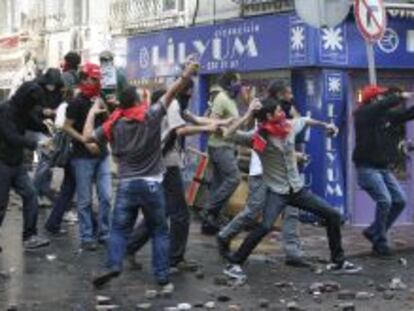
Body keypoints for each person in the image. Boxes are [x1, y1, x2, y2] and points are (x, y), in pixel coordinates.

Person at [85, 62, 199, 289]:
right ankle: (162, 276)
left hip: (127, 184)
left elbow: (88, 137)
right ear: (137, 101)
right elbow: (171, 92)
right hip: (152, 183)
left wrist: (91, 113)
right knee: (159, 231)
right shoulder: (151, 115)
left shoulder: (113, 123)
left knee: (119, 229)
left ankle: (113, 264)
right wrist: (185, 75)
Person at [220, 98, 361, 280]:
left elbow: (305, 120)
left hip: (297, 190)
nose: (283, 114)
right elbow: (228, 135)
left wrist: (325, 125)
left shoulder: (288, 126)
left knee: (332, 215)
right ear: (269, 116)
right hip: (277, 193)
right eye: (279, 111)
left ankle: (338, 261)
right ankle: (235, 263)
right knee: (264, 227)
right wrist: (248, 114)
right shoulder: (258, 137)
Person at [126, 81, 229, 271]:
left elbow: (197, 119)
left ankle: (130, 247)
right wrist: (208, 129)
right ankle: (174, 258)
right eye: (189, 91)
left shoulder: (177, 105)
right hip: (165, 164)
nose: (190, 94)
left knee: (161, 212)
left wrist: (224, 122)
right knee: (180, 213)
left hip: (160, 162)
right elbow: (180, 130)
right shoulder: (173, 104)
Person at [217, 81, 310, 268]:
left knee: (291, 211)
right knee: (253, 211)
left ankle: (293, 253)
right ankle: (224, 235)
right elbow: (258, 140)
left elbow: (289, 141)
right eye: (289, 93)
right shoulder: (265, 113)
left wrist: (295, 155)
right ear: (280, 95)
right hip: (261, 172)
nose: (292, 97)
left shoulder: (286, 114)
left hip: (285, 175)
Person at [353, 85, 414, 256]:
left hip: (383, 168)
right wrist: (401, 96)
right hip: (367, 168)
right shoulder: (363, 114)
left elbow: (405, 115)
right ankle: (379, 242)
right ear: (373, 99)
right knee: (385, 201)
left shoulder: (384, 116)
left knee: (400, 201)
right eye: (379, 96)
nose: (382, 99)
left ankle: (373, 231)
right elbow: (381, 106)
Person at [63, 62, 112, 251]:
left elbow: (108, 122)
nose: (97, 82)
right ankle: (86, 236)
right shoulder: (76, 103)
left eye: (99, 79)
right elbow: (66, 126)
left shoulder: (100, 99)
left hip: (103, 155)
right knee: (84, 200)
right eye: (94, 79)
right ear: (84, 79)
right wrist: (85, 141)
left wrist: (104, 106)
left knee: (106, 197)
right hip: (82, 157)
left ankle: (104, 233)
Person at [0, 82, 51, 250]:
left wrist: (50, 127)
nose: (33, 106)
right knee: (1, 204)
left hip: (15, 162)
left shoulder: (23, 111)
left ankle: (30, 236)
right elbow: (11, 136)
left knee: (30, 195)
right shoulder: (6, 110)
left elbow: (34, 123)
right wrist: (35, 143)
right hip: (2, 163)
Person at [202, 70, 243, 234]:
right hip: (220, 146)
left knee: (218, 184)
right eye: (238, 81)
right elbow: (213, 123)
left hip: (228, 146)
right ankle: (208, 209)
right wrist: (226, 131)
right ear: (231, 82)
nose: (240, 84)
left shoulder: (231, 100)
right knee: (234, 178)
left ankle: (210, 222)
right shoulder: (221, 98)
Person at [32, 68, 65, 206]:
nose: (51, 87)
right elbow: (31, 107)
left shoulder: (59, 91)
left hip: (52, 128)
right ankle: (34, 192)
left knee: (46, 161)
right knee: (45, 160)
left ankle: (39, 193)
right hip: (37, 126)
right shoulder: (36, 89)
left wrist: (56, 111)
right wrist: (42, 110)